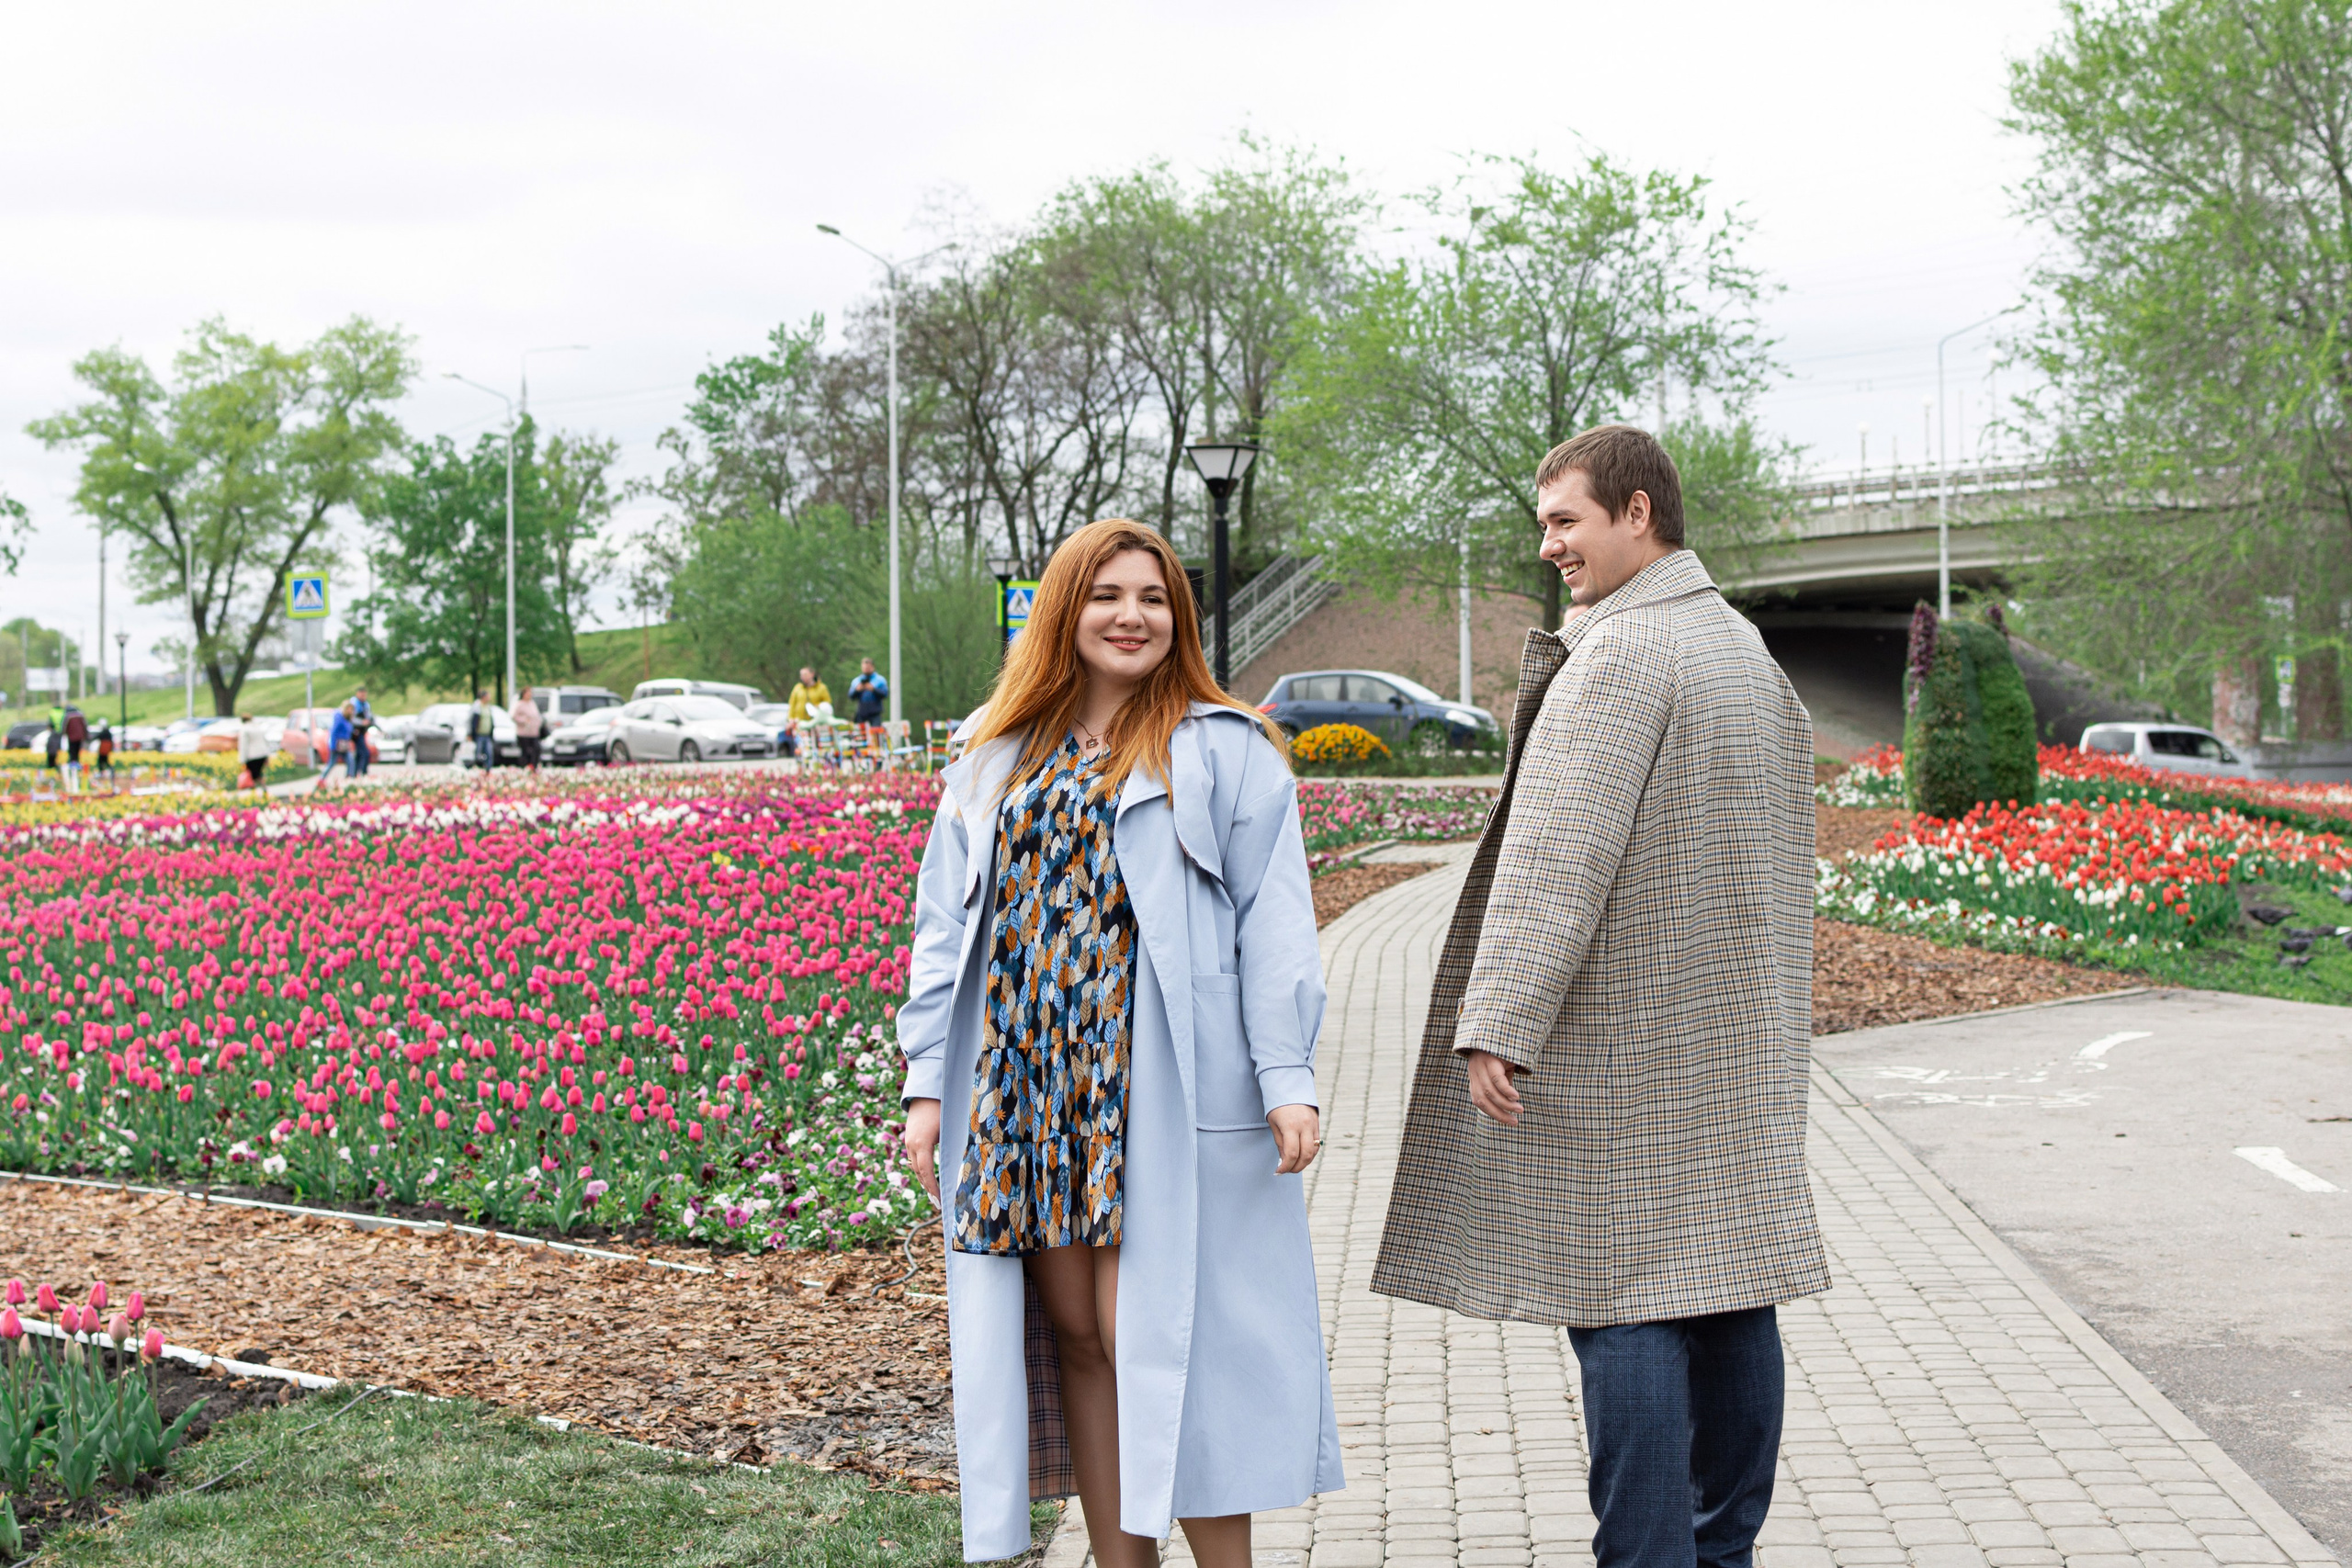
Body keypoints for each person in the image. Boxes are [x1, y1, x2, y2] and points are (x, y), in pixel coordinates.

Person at [1373, 425, 1827, 1568]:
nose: (1550, 546)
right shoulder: (1739, 647)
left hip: (1621, 1039)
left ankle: (1643, 1556)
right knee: (1729, 1288)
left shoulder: (1621, 656)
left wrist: (1500, 1021)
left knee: (1619, 1293)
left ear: (1637, 512)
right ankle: (1722, 1549)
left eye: (1564, 520)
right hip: (1732, 1033)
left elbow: (1555, 856)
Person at [899, 517, 1341, 1567]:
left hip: (1156, 1087)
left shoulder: (1223, 750)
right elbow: (942, 927)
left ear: (1177, 619)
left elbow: (1273, 926)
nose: (1131, 616)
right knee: (1084, 1343)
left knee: (1163, 1346)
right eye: (1106, 595)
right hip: (1025, 1087)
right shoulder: (992, 752)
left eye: (1152, 598)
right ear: (1065, 610)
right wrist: (927, 1086)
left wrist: (1287, 1077)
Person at [237, 711, 274, 791]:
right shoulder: (258, 727)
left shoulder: (244, 729)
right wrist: (267, 755)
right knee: (258, 774)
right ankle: (262, 789)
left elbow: (243, 746)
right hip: (262, 754)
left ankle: (256, 792)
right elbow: (265, 741)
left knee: (253, 776)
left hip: (252, 756)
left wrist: (242, 760)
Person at [847, 657, 888, 728]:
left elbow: (885, 694)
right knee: (861, 736)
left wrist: (873, 689)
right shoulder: (857, 681)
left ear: (872, 667)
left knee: (875, 735)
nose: (866, 669)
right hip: (861, 713)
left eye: (868, 667)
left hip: (875, 713)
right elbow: (850, 696)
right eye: (864, 668)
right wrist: (857, 690)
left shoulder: (880, 680)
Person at [512, 688, 543, 772]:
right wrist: (524, 720)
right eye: (528, 693)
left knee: (537, 749)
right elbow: (513, 716)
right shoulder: (519, 704)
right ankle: (524, 767)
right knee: (525, 751)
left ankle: (533, 766)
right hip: (523, 733)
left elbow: (536, 715)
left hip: (534, 732)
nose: (530, 695)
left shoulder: (532, 703)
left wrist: (538, 723)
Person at [468, 689, 497, 772]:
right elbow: (471, 721)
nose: (489, 698)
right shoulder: (477, 707)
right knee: (477, 754)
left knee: (489, 753)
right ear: (483, 697)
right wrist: (470, 733)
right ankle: (476, 769)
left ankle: (488, 770)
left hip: (487, 734)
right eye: (488, 696)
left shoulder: (488, 707)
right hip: (479, 735)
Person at [349, 686, 374, 778]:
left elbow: (369, 716)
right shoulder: (354, 703)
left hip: (362, 732)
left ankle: (354, 774)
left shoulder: (366, 705)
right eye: (361, 693)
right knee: (365, 753)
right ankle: (363, 773)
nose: (363, 696)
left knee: (359, 754)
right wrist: (362, 722)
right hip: (355, 732)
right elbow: (351, 718)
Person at [61, 706, 86, 795]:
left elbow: (64, 727)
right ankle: (76, 763)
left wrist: (64, 734)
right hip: (79, 736)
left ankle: (73, 763)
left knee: (72, 751)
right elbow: (85, 726)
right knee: (77, 751)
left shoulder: (68, 716)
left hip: (71, 736)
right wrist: (86, 735)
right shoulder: (80, 715)